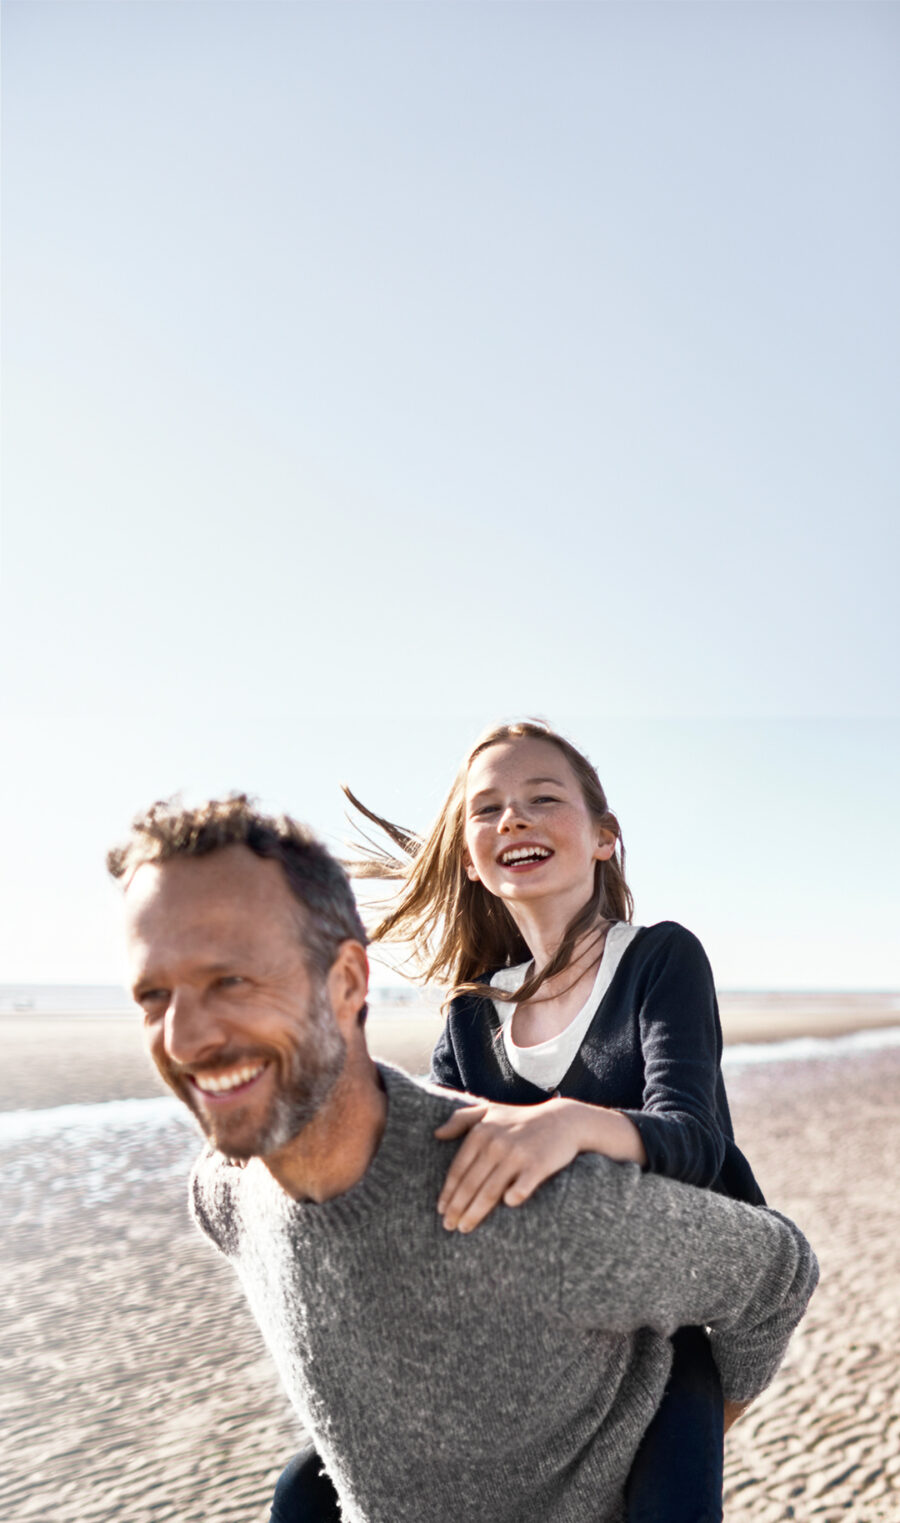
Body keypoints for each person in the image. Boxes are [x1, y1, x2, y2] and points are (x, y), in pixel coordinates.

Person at [109, 792, 817, 1523]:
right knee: (299, 1494)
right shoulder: (229, 1196)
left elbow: (768, 1261)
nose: (186, 1036)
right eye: (153, 994)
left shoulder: (542, 1200)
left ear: (349, 981)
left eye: (232, 978)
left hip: (653, 1298)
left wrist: (691, 1433)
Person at [283, 717, 766, 1523]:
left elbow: (697, 1142)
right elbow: (430, 1182)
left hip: (662, 1320)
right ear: (471, 860)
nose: (514, 817)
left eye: (544, 797)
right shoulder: (472, 1014)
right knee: (303, 1492)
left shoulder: (659, 959)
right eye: (488, 809)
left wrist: (566, 1122)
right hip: (525, 1328)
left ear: (605, 838)